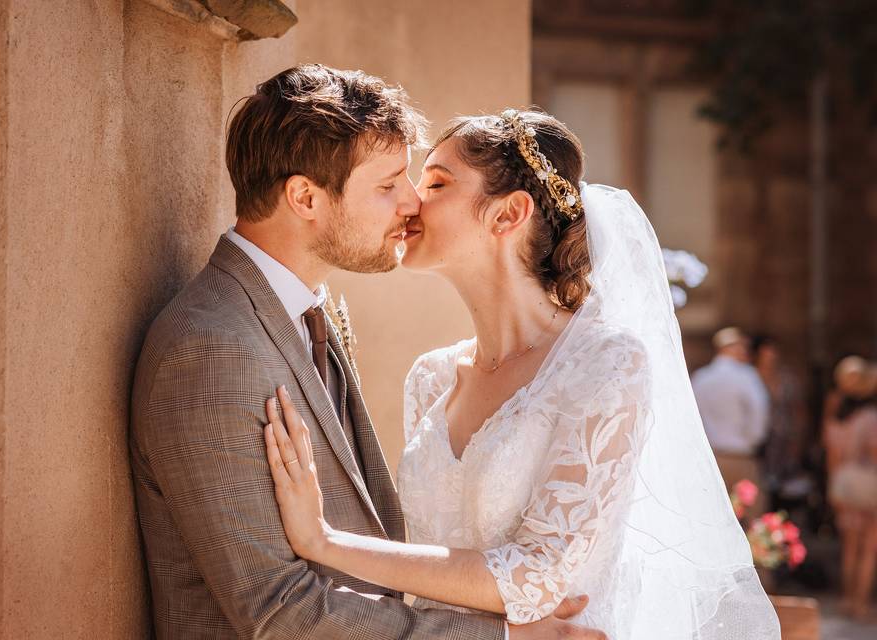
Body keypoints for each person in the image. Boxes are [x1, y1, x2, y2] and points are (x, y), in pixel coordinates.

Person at [262, 109, 781, 638]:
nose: (412, 201)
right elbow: (426, 563)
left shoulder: (605, 365)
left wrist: (324, 542)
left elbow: (536, 578)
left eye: (436, 182)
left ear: (508, 214)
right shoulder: (431, 378)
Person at [130, 65, 599, 639]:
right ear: (305, 196)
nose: (412, 203)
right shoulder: (213, 348)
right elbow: (280, 613)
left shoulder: (311, 312)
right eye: (387, 186)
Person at [692, 327, 771, 514]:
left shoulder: (701, 378)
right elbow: (759, 413)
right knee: (752, 519)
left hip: (710, 457)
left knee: (711, 515)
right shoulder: (747, 376)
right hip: (740, 456)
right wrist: (752, 441)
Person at [825, 358, 877, 619]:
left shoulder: (834, 414)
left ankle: (846, 600)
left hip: (842, 481)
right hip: (868, 482)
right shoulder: (870, 417)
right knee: (869, 545)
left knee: (849, 545)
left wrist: (833, 486)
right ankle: (861, 603)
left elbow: (831, 454)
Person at [752, 334, 808, 507]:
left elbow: (798, 409)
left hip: (784, 438)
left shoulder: (786, 379)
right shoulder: (750, 377)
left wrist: (797, 439)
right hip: (759, 439)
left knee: (784, 486)